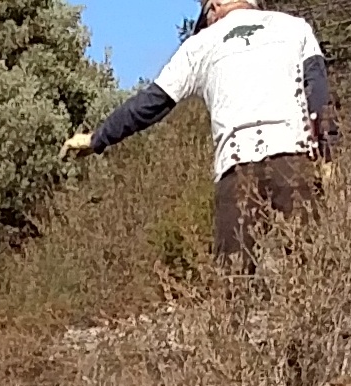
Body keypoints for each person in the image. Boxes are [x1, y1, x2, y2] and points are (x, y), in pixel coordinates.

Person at [62, 0, 332, 261]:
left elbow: (150, 104)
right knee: (313, 267)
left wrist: (98, 138)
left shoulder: (200, 44)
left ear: (213, 8)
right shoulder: (295, 27)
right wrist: (328, 154)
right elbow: (318, 94)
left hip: (236, 168)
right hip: (294, 156)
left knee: (234, 282)